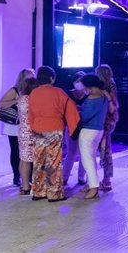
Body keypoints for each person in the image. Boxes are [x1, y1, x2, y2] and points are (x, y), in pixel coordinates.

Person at [28, 66, 80, 202]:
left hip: (38, 128)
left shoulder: (34, 93)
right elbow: (71, 109)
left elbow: (30, 114)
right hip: (54, 128)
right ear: (51, 78)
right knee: (54, 161)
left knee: (38, 160)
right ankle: (54, 193)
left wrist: (32, 127)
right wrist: (73, 127)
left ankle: (38, 192)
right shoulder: (59, 92)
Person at [0, 68, 35, 187]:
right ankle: (16, 176)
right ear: (23, 78)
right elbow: (1, 104)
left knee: (29, 151)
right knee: (16, 152)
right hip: (14, 125)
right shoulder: (15, 90)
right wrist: (16, 100)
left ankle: (29, 177)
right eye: (30, 76)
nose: (33, 78)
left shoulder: (34, 90)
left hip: (28, 125)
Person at [77, 74, 110, 200]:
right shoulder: (104, 96)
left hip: (88, 131)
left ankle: (94, 187)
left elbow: (85, 116)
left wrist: (79, 110)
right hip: (99, 130)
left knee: (87, 159)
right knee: (91, 158)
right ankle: (91, 183)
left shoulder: (92, 98)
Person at [96, 64, 119, 191]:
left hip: (103, 120)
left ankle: (106, 180)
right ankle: (107, 178)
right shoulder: (112, 85)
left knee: (104, 149)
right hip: (111, 120)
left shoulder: (101, 88)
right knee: (106, 148)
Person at [63, 71, 87, 186]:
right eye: (77, 81)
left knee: (84, 153)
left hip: (85, 127)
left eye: (81, 81)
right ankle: (64, 177)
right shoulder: (68, 95)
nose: (79, 84)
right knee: (71, 153)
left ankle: (81, 177)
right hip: (71, 127)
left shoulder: (89, 96)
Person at [16, 78, 38, 195]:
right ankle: (30, 186)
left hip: (22, 130)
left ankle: (24, 185)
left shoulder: (21, 99)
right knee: (32, 160)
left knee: (23, 159)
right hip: (32, 131)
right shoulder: (32, 99)